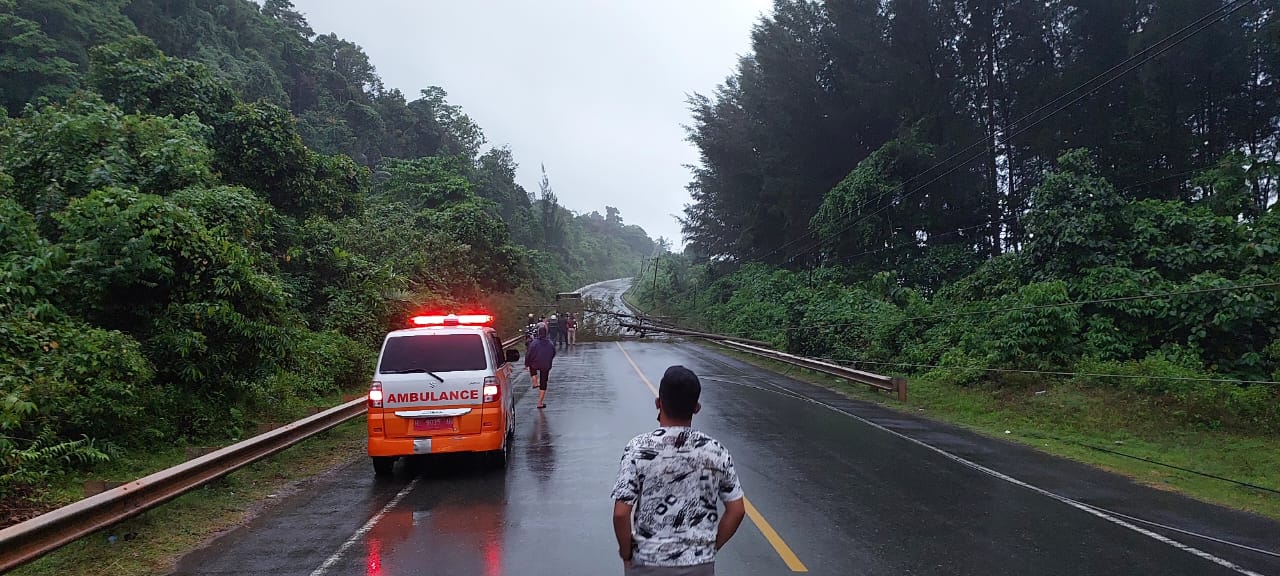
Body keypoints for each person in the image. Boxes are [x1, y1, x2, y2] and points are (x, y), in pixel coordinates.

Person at [611, 366, 746, 575]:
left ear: (658, 403)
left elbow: (621, 514)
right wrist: (709, 549)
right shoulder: (716, 451)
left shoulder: (638, 448)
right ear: (697, 408)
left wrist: (626, 554)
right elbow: (737, 510)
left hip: (648, 564)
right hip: (699, 564)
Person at [524, 325, 557, 409]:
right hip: (546, 365)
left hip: (535, 363)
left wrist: (526, 364)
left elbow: (529, 354)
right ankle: (540, 402)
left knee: (532, 366)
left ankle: (535, 382)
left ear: (538, 333)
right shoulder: (550, 343)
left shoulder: (534, 343)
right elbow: (553, 353)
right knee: (543, 382)